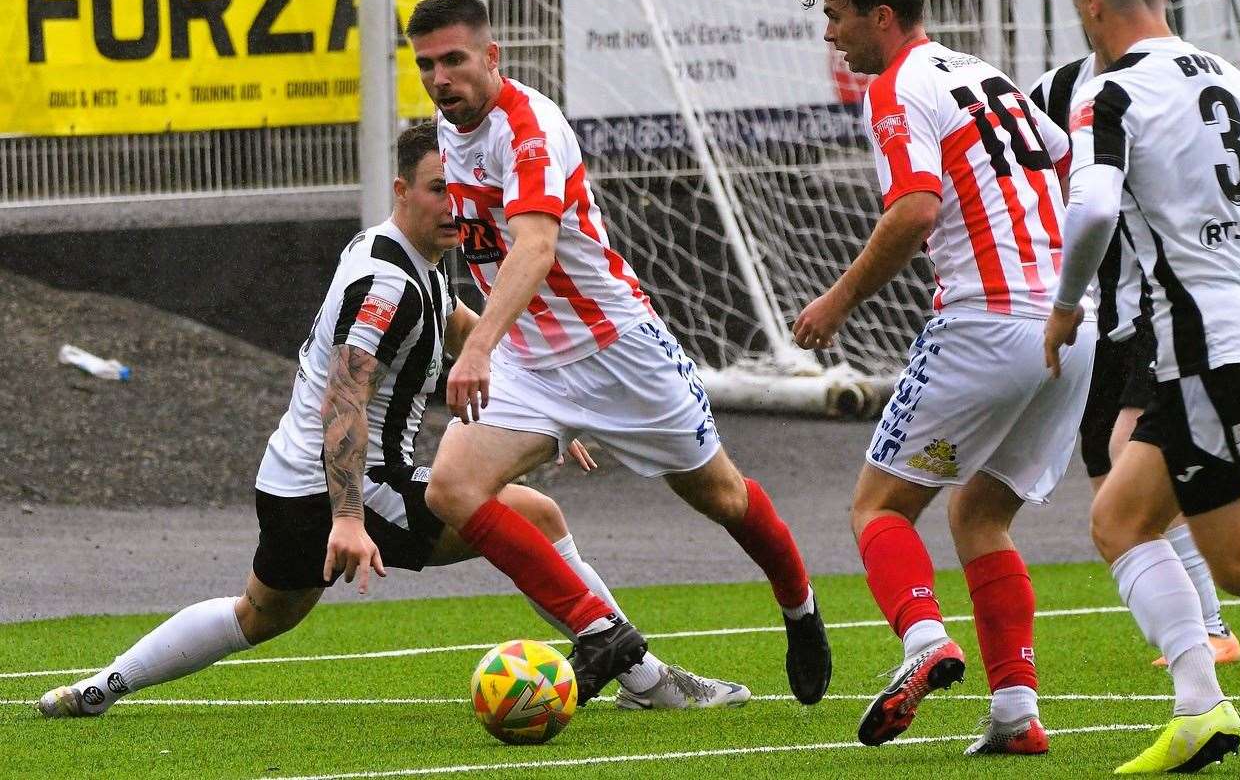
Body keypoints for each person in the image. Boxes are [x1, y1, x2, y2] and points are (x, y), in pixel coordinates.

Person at [37, 123, 749, 719]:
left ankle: (104, 687)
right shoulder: (386, 280)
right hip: (341, 484)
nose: (454, 205)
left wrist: (544, 400)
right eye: (438, 189)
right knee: (535, 518)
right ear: (402, 190)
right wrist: (347, 519)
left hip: (289, 480)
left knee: (261, 613)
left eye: (462, 192)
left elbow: (459, 325)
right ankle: (644, 678)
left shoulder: (410, 256)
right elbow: (344, 400)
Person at [403, 0, 831, 707]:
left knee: (721, 497)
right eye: (425, 65)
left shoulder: (530, 127)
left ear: (491, 56)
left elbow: (535, 247)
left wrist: (474, 348)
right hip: (528, 364)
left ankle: (799, 608)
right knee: (450, 487)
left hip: (616, 351)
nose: (440, 78)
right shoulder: (448, 133)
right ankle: (604, 636)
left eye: (453, 60)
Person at [794, 0, 1094, 755]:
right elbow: (1070, 165)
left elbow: (915, 210)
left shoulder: (897, 87)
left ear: (880, 17)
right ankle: (1014, 714)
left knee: (878, 506)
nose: (831, 36)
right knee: (980, 513)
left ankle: (924, 643)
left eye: (837, 18)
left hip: (986, 322)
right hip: (1069, 329)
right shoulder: (984, 75)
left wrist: (837, 300)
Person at [1043, 0, 1240, 774]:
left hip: (1200, 346)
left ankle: (1200, 703)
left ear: (1088, 2)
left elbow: (1094, 211)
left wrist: (1066, 305)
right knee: (1118, 520)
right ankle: (1198, 709)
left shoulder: (1107, 94)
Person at [1029, 56, 1240, 667]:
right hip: (1108, 316)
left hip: (1169, 303)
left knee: (1132, 455)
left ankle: (1210, 630)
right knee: (1108, 473)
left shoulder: (1181, 85)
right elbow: (1024, 158)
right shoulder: (1055, 90)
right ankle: (1198, 629)